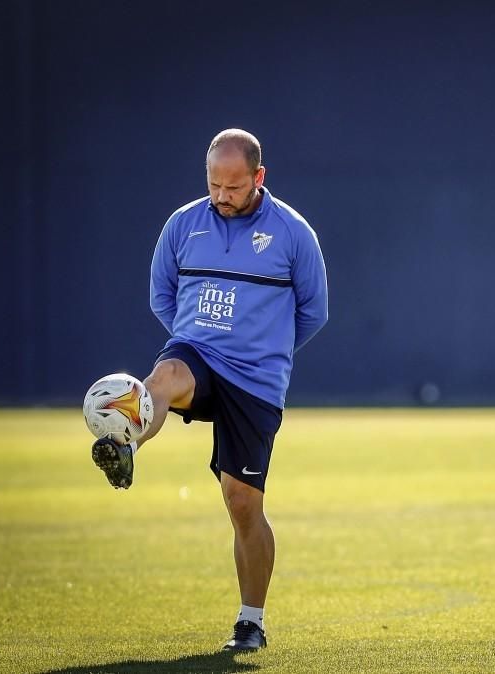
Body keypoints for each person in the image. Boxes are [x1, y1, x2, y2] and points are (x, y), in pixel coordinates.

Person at [90, 128, 328, 651]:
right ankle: (123, 444)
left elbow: (314, 311)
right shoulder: (182, 224)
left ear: (258, 178)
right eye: (214, 184)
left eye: (234, 187)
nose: (221, 195)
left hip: (257, 380)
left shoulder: (293, 233)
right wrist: (196, 335)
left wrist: (268, 351)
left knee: (241, 501)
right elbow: (162, 295)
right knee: (164, 378)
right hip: (198, 352)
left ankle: (251, 622)